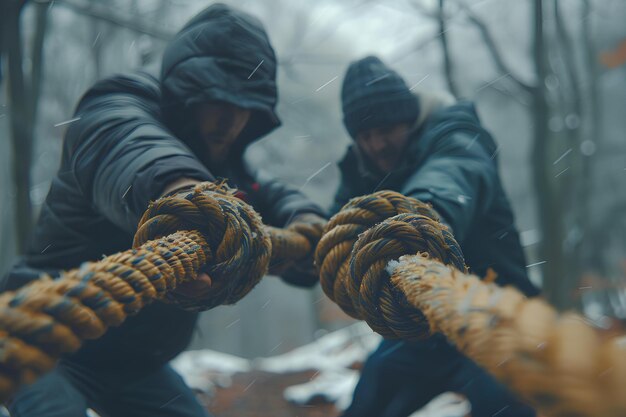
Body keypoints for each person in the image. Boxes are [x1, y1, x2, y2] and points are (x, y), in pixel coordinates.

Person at [1, 4, 325, 417]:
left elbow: (267, 191)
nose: (230, 119)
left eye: (244, 105)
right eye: (216, 100)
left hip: (135, 364)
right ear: (186, 93)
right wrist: (188, 197)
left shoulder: (224, 163)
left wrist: (304, 218)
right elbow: (132, 147)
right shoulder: (115, 106)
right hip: (45, 339)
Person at [333, 56, 540, 417]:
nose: (377, 144)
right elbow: (330, 235)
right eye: (365, 135)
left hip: (498, 316)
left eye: (386, 130)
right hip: (424, 331)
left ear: (409, 118)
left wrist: (420, 220)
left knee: (503, 406)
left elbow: (451, 176)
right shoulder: (360, 170)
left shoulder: (457, 136)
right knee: (367, 404)